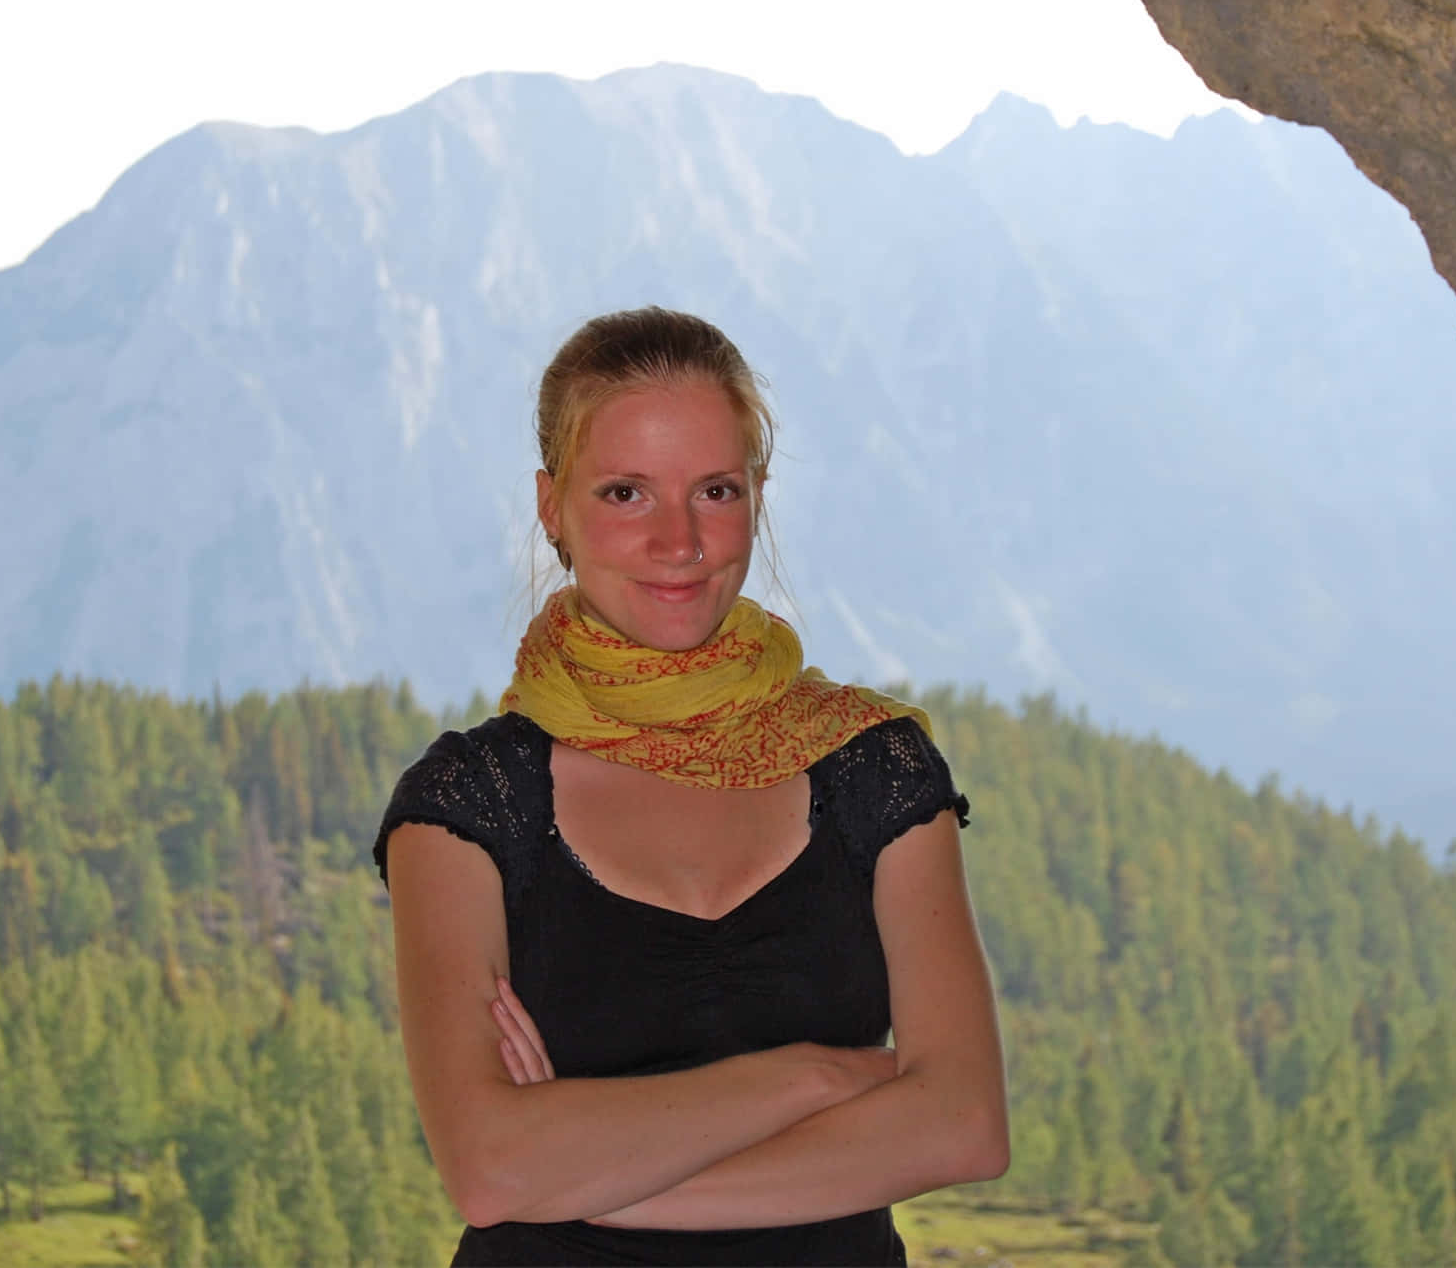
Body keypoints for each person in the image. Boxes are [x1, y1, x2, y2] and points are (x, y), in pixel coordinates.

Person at [374, 307, 1007, 1266]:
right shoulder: (472, 804)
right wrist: (815, 1077)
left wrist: (596, 1180)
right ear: (553, 509)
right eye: (627, 492)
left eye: (714, 490)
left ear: (757, 494)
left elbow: (962, 1124)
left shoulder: (874, 766)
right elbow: (491, 1167)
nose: (682, 542)